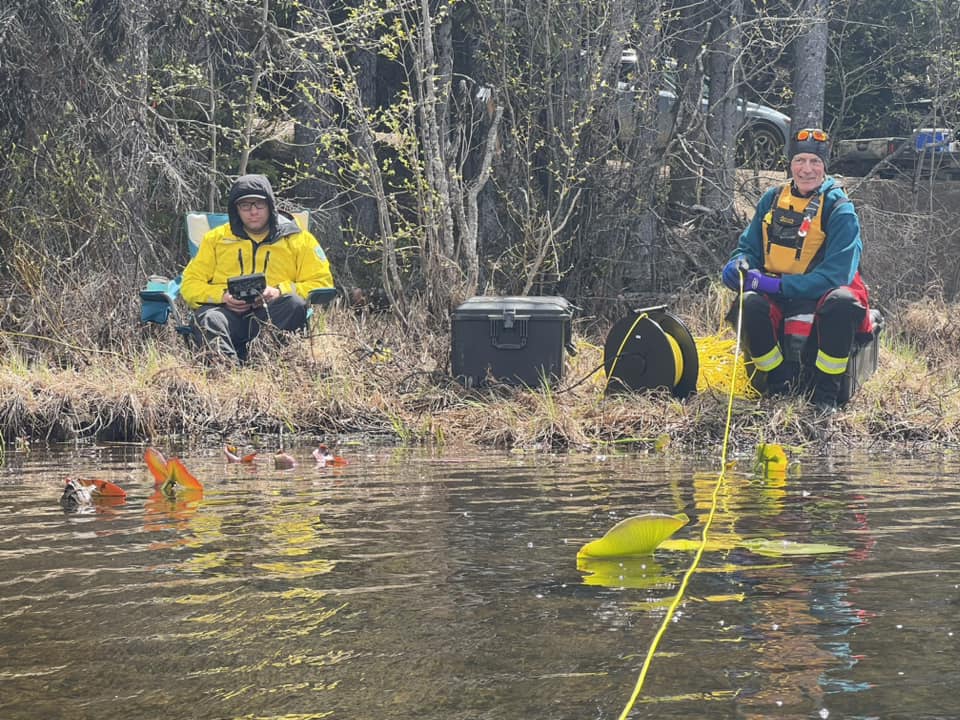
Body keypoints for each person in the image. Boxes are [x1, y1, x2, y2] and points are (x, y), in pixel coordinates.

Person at [720, 128, 875, 411]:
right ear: (790, 165)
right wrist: (738, 264)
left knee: (843, 303)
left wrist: (777, 286)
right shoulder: (772, 198)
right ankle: (777, 385)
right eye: (800, 161)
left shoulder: (839, 209)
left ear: (825, 166)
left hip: (821, 296)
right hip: (779, 294)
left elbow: (836, 276)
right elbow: (749, 248)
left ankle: (825, 394)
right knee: (748, 304)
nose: (806, 169)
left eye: (815, 162)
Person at [181, 174, 334, 363]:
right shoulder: (215, 239)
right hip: (227, 315)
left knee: (294, 305)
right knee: (207, 319)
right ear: (236, 209)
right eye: (245, 205)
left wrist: (278, 291)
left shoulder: (299, 239)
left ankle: (263, 365)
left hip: (273, 315)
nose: (253, 212)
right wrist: (222, 297)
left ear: (270, 205)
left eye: (259, 204)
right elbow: (189, 285)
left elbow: (322, 283)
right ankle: (225, 372)